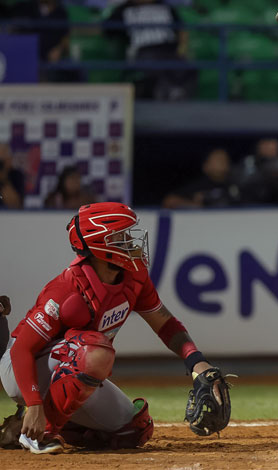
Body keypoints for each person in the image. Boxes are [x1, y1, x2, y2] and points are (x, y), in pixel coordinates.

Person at [0, 202, 230, 453]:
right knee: (94, 350)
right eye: (121, 237)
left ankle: (20, 427)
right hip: (20, 370)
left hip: (72, 364)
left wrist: (197, 362)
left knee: (134, 428)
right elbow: (22, 349)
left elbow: (165, 324)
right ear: (100, 244)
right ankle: (42, 431)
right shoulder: (66, 288)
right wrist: (34, 403)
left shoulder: (135, 276)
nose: (132, 243)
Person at [105, 0, 195, 100]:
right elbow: (106, 30)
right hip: (143, 51)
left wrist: (183, 48)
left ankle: (179, 95)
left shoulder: (163, 6)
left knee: (187, 66)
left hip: (169, 50)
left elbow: (181, 28)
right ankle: (168, 95)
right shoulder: (123, 9)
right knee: (155, 65)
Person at [162, 148, 243, 209]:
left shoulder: (235, 186)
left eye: (226, 159)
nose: (224, 162)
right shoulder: (198, 186)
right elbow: (169, 201)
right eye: (219, 159)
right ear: (206, 166)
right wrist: (197, 207)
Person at [0, 143, 25, 210]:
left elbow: (15, 204)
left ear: (9, 159)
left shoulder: (17, 175)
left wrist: (4, 177)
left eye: (1, 161)